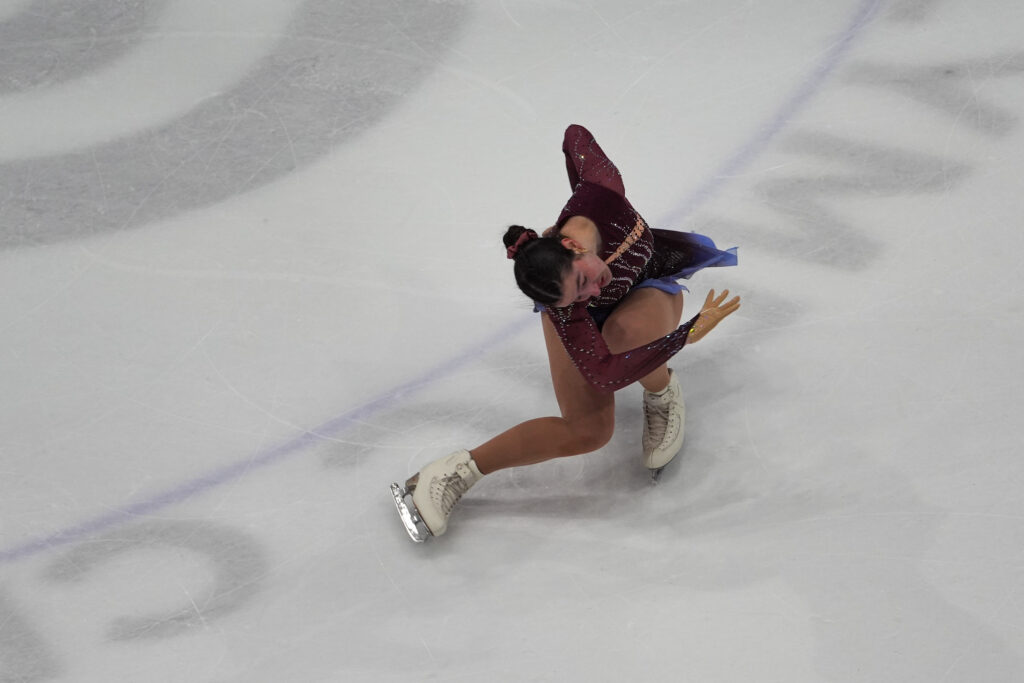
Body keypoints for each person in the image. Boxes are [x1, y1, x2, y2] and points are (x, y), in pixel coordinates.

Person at [391, 124, 740, 541]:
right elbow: (606, 373)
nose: (593, 293)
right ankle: (454, 473)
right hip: (602, 315)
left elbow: (575, 136)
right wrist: (687, 334)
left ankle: (662, 391)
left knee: (624, 330)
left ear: (574, 248)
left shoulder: (603, 195)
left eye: (583, 283)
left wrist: (578, 192)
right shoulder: (566, 309)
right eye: (575, 299)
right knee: (589, 430)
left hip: (648, 291)